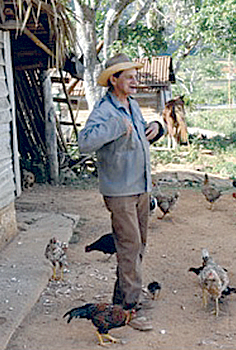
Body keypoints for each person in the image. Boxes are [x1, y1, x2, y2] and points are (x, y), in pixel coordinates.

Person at [77, 53, 154, 331]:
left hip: (141, 186)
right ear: (114, 80)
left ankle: (120, 302)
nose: (135, 81)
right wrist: (115, 126)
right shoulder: (106, 111)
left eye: (135, 76)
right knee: (129, 245)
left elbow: (139, 135)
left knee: (138, 244)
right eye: (129, 77)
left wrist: (155, 129)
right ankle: (132, 307)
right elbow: (84, 142)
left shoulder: (131, 104)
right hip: (120, 191)